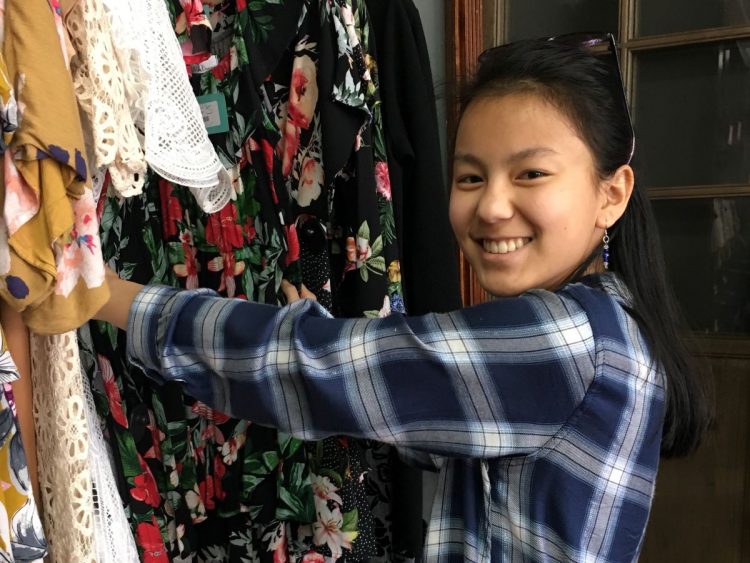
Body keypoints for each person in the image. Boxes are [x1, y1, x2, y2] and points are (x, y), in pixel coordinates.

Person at [95, 34, 711, 562]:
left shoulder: (566, 340)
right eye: (470, 176)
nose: (492, 206)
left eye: (531, 174)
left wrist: (110, 297)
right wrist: (329, 339)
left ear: (612, 192)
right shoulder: (612, 322)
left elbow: (314, 371)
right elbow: (446, 424)